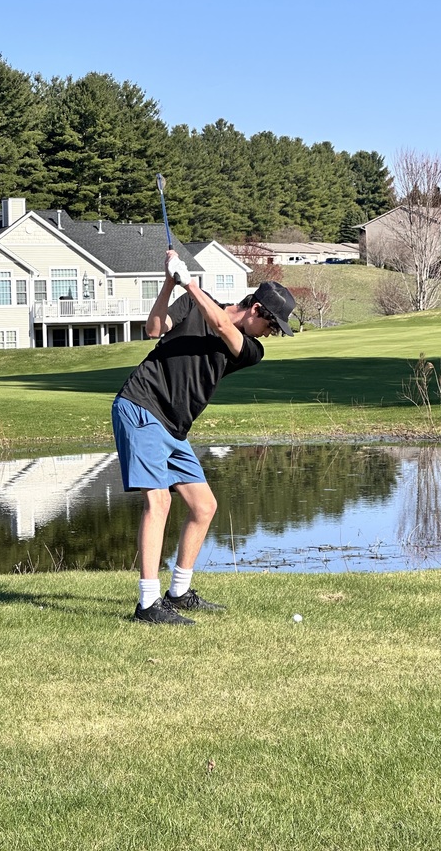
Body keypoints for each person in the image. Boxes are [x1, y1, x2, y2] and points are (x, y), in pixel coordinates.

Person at [112, 251, 295, 625]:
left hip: (174, 427)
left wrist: (189, 283)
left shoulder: (250, 350)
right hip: (141, 405)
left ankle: (177, 592)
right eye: (272, 324)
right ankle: (147, 604)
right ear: (256, 308)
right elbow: (153, 327)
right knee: (159, 502)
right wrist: (170, 280)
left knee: (204, 506)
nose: (271, 334)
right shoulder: (194, 304)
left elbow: (223, 327)